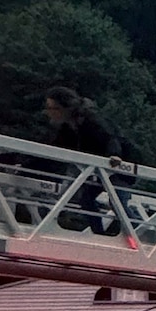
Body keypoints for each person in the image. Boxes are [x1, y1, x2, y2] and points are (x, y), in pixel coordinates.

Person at [42, 87, 136, 234]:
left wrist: (114, 155)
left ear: (66, 108)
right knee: (86, 198)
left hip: (120, 164)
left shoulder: (91, 119)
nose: (49, 112)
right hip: (100, 169)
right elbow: (51, 148)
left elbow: (110, 137)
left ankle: (142, 233)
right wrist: (24, 163)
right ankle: (99, 233)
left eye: (53, 108)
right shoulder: (68, 127)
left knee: (118, 202)